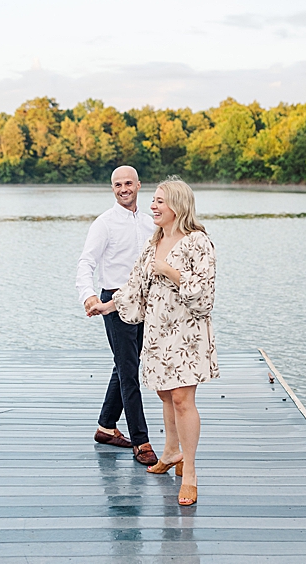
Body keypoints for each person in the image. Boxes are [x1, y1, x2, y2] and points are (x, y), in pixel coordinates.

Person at [91, 176, 218, 506]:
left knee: (181, 399)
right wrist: (106, 305)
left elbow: (204, 297)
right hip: (158, 332)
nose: (152, 206)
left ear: (177, 205)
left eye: (159, 201)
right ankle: (170, 452)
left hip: (187, 333)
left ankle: (189, 472)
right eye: (154, 201)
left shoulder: (198, 242)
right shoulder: (152, 242)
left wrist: (170, 272)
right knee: (164, 394)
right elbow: (134, 288)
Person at [77, 165, 159, 466]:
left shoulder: (152, 223)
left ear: (139, 185)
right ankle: (141, 441)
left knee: (127, 363)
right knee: (128, 370)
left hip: (146, 301)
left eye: (128, 183)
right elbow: (86, 263)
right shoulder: (104, 224)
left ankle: (105, 427)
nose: (123, 189)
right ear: (112, 188)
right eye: (117, 185)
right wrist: (89, 296)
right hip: (114, 302)